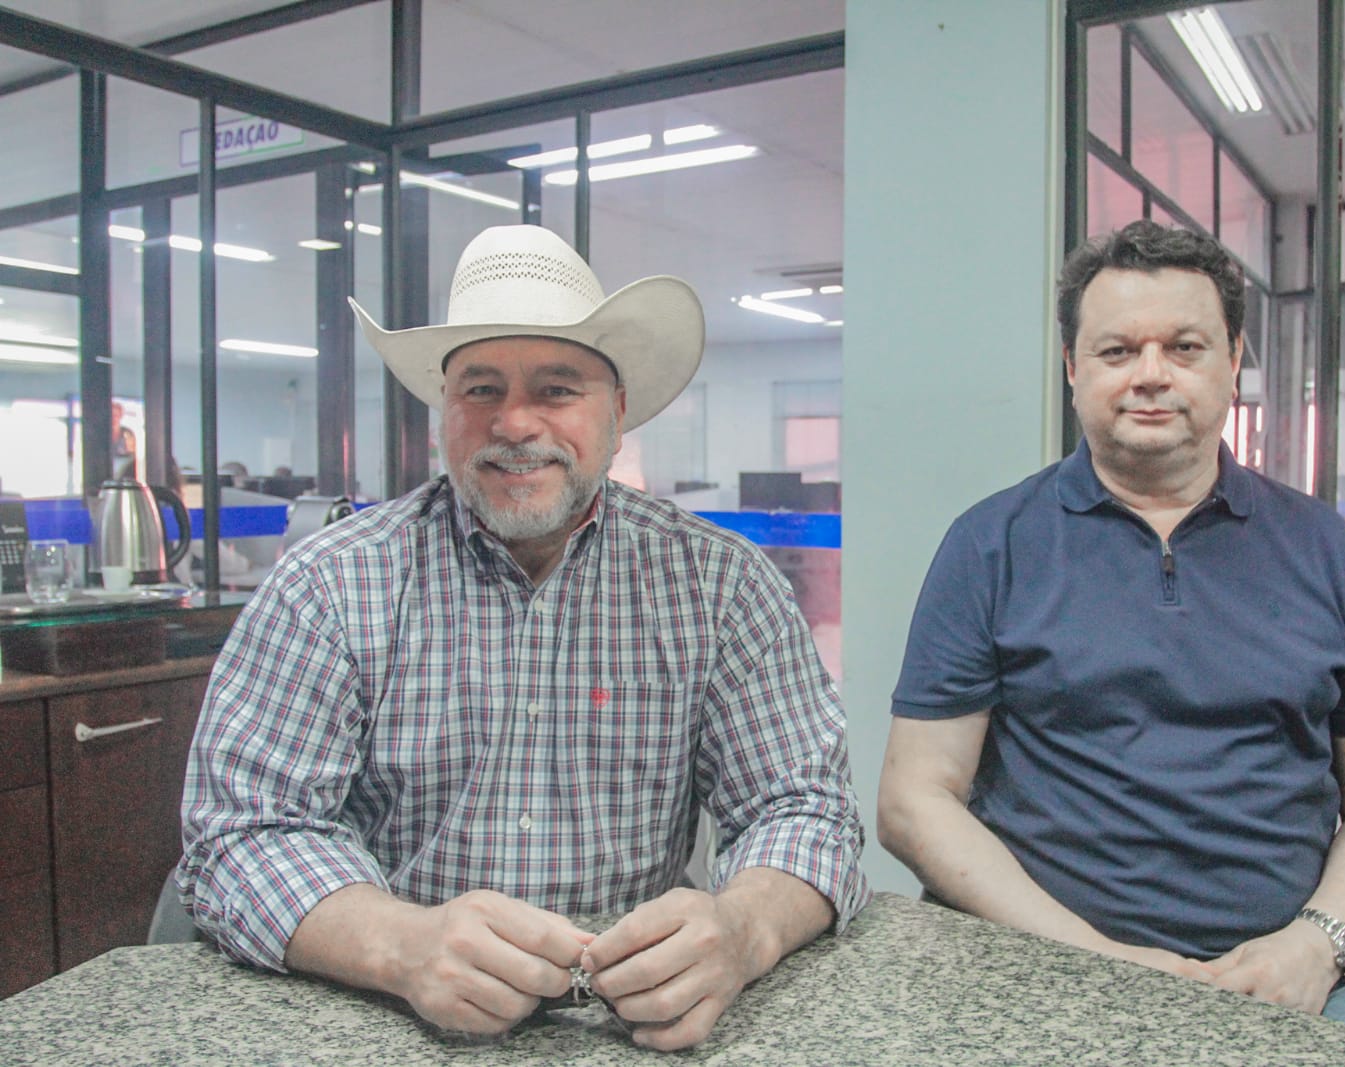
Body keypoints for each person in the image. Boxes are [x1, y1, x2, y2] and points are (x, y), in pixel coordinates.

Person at [180, 224, 868, 1051]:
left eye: (556, 387)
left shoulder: (721, 584)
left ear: (616, 412)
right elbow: (240, 834)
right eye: (480, 389)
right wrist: (404, 946)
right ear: (444, 412)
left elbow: (805, 808)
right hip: (381, 1017)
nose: (514, 421)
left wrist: (741, 928)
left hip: (638, 1023)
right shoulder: (328, 586)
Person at [877, 220, 1345, 1050]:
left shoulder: (1321, 546)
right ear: (1074, 368)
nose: (1151, 376)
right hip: (1038, 963)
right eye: (1116, 352)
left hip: (1288, 973)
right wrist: (1098, 958)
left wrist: (1319, 943)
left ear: (1232, 360)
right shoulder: (990, 544)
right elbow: (913, 798)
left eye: (1184, 346)